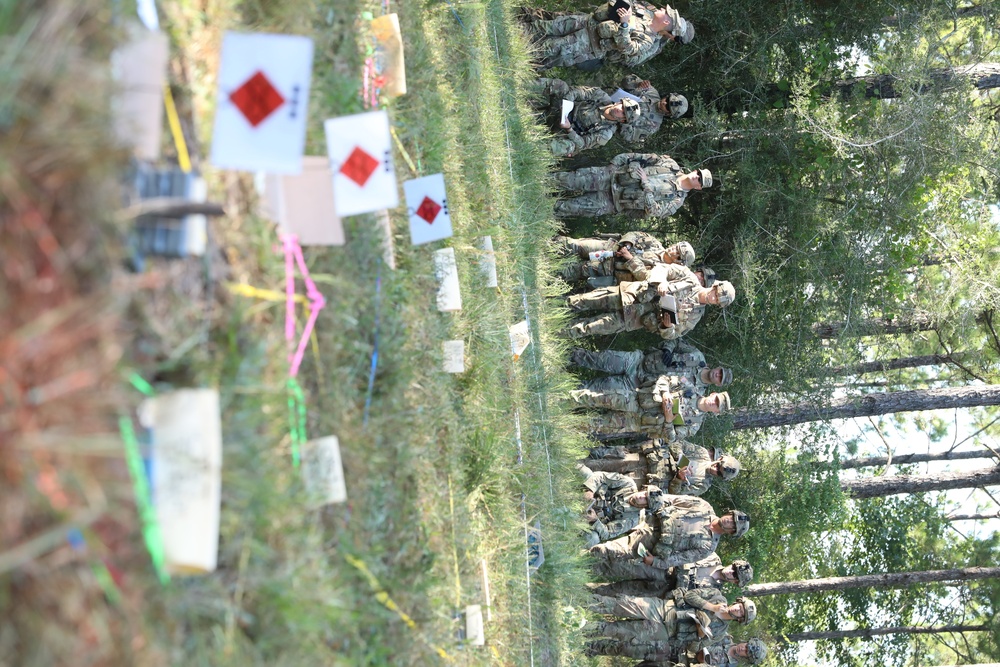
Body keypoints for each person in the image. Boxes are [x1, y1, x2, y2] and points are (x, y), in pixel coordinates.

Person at [590, 491, 750, 575]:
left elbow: (678, 559)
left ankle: (576, 556)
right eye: (732, 518)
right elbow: (670, 499)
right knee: (603, 519)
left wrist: (655, 562)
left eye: (733, 524)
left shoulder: (708, 547)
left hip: (647, 543)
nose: (730, 521)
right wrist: (647, 500)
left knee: (605, 551)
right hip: (645, 517)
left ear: (731, 532)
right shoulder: (704, 506)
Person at [518, 1, 694, 71]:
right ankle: (513, 32)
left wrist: (624, 24)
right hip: (586, 22)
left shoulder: (649, 41)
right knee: (545, 26)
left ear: (665, 24)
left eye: (667, 14)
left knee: (549, 47)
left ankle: (515, 53)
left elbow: (628, 50)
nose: (663, 9)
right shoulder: (645, 14)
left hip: (589, 43)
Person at [565, 270, 736, 340]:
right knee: (584, 300)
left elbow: (673, 335)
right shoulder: (689, 278)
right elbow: (661, 269)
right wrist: (661, 282)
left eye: (717, 301)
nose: (714, 298)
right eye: (716, 294)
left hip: (633, 318)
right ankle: (557, 306)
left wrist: (667, 327)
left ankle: (561, 331)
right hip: (630, 295)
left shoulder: (695, 316)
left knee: (589, 328)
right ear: (714, 287)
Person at [588, 588, 757, 652]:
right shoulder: (717, 596)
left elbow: (694, 648)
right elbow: (690, 595)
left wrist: (699, 634)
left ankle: (584, 629)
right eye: (739, 606)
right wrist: (710, 607)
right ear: (737, 602)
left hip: (665, 631)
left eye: (740, 612)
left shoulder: (720, 632)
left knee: (619, 631)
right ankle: (582, 601)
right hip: (663, 608)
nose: (737, 609)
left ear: (739, 619)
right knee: (619, 605)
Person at [575, 373, 731, 440]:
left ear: (716, 412)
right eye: (716, 399)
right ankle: (562, 400)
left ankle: (565, 424)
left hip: (637, 422)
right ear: (713, 394)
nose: (714, 403)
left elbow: (671, 439)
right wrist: (665, 393)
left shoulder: (694, 424)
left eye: (717, 406)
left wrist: (669, 421)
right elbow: (665, 378)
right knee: (595, 397)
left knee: (595, 424)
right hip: (636, 400)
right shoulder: (689, 386)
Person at [552, 153, 711, 219]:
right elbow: (639, 157)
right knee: (569, 180)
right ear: (696, 170)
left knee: (568, 207)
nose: (697, 177)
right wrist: (616, 163)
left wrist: (646, 186)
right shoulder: (670, 164)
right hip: (610, 177)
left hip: (612, 202)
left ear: (698, 188)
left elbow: (653, 211)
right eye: (699, 173)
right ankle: (539, 182)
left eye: (700, 180)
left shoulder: (676, 202)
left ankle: (541, 208)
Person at [583, 439, 742, 497]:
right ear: (719, 459)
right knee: (605, 464)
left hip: (648, 480)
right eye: (718, 465)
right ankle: (576, 465)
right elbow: (676, 443)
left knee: (609, 484)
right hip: (646, 460)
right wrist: (681, 460)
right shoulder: (701, 453)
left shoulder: (703, 485)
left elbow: (676, 493)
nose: (715, 469)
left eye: (719, 473)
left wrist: (679, 479)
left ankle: (580, 484)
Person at [569, 338, 733, 393]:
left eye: (720, 378)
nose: (717, 374)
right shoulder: (697, 357)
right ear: (718, 367)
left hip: (638, 385)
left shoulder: (697, 392)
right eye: (720, 371)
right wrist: (667, 350)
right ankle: (568, 356)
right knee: (600, 359)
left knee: (597, 388)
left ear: (718, 384)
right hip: (638, 360)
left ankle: (566, 387)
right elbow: (675, 340)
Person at [529, 78, 642, 156]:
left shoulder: (606, 133)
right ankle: (524, 84)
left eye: (623, 113)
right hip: (560, 108)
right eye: (622, 106)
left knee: (569, 147)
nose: (619, 110)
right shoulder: (601, 96)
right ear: (618, 102)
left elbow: (582, 144)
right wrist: (567, 103)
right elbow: (578, 92)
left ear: (622, 120)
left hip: (562, 130)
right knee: (561, 86)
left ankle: (530, 147)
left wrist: (569, 129)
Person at [588, 550, 753, 597]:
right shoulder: (711, 556)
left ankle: (588, 591)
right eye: (734, 568)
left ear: (734, 582)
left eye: (735, 576)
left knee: (620, 591)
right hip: (660, 567)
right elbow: (682, 555)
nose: (731, 572)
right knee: (619, 568)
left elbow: (687, 596)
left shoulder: (714, 592)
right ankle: (585, 568)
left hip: (660, 589)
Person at [580, 465, 649, 547]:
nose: (642, 496)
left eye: (645, 499)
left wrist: (594, 520)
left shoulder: (632, 519)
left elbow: (607, 534)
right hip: (590, 494)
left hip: (591, 517)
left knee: (593, 539)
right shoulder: (628, 484)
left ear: (645, 506)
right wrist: (590, 490)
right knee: (584, 471)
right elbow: (602, 476)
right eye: (645, 493)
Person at [611, 74, 689, 145]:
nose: (665, 103)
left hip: (610, 119)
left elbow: (629, 136)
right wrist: (637, 84)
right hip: (608, 97)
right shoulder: (652, 92)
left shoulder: (654, 125)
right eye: (667, 100)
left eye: (668, 107)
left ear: (669, 114)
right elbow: (625, 81)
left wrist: (625, 118)